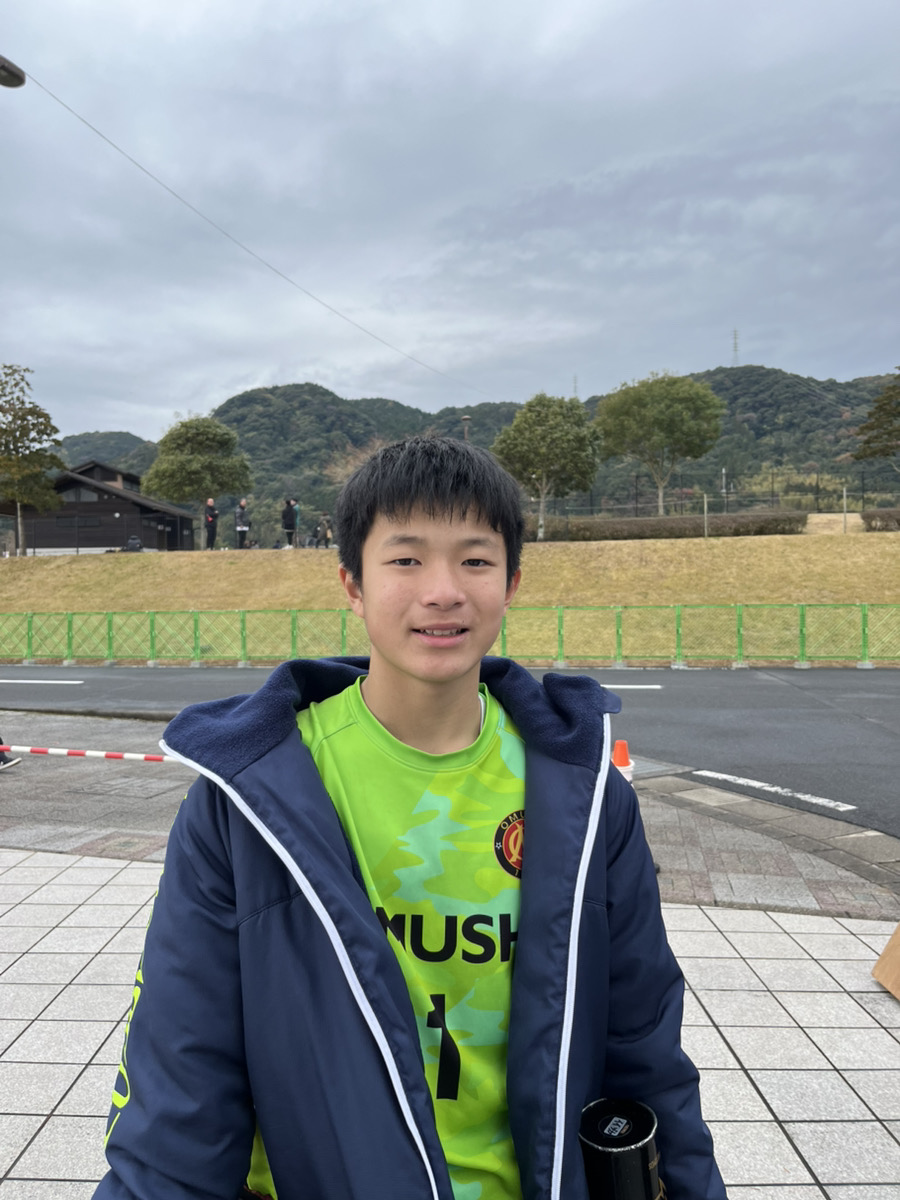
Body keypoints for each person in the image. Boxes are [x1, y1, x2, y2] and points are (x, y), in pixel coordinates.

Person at [94, 437, 725, 1200]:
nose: (443, 591)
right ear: (352, 585)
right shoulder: (251, 794)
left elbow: (644, 1051)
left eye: (475, 560)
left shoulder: (584, 796)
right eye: (405, 559)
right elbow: (180, 1080)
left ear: (511, 583)